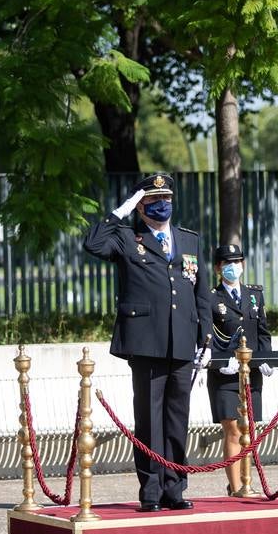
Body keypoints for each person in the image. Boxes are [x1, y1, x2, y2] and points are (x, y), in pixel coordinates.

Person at [83, 173, 212, 512]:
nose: (162, 205)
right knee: (149, 420)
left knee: (176, 418)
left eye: (166, 199)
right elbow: (93, 244)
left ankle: (175, 487)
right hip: (146, 343)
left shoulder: (188, 241)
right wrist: (118, 213)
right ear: (139, 206)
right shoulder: (128, 238)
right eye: (153, 200)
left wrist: (207, 338)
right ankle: (151, 491)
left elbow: (201, 294)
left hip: (183, 341)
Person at [208, 244, 272, 495]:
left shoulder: (254, 294)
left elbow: (263, 331)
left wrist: (267, 358)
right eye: (227, 263)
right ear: (218, 268)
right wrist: (220, 362)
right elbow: (206, 335)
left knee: (249, 428)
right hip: (224, 375)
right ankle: (236, 487)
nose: (233, 267)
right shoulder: (211, 298)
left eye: (237, 262)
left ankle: (247, 482)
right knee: (233, 428)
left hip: (251, 371)